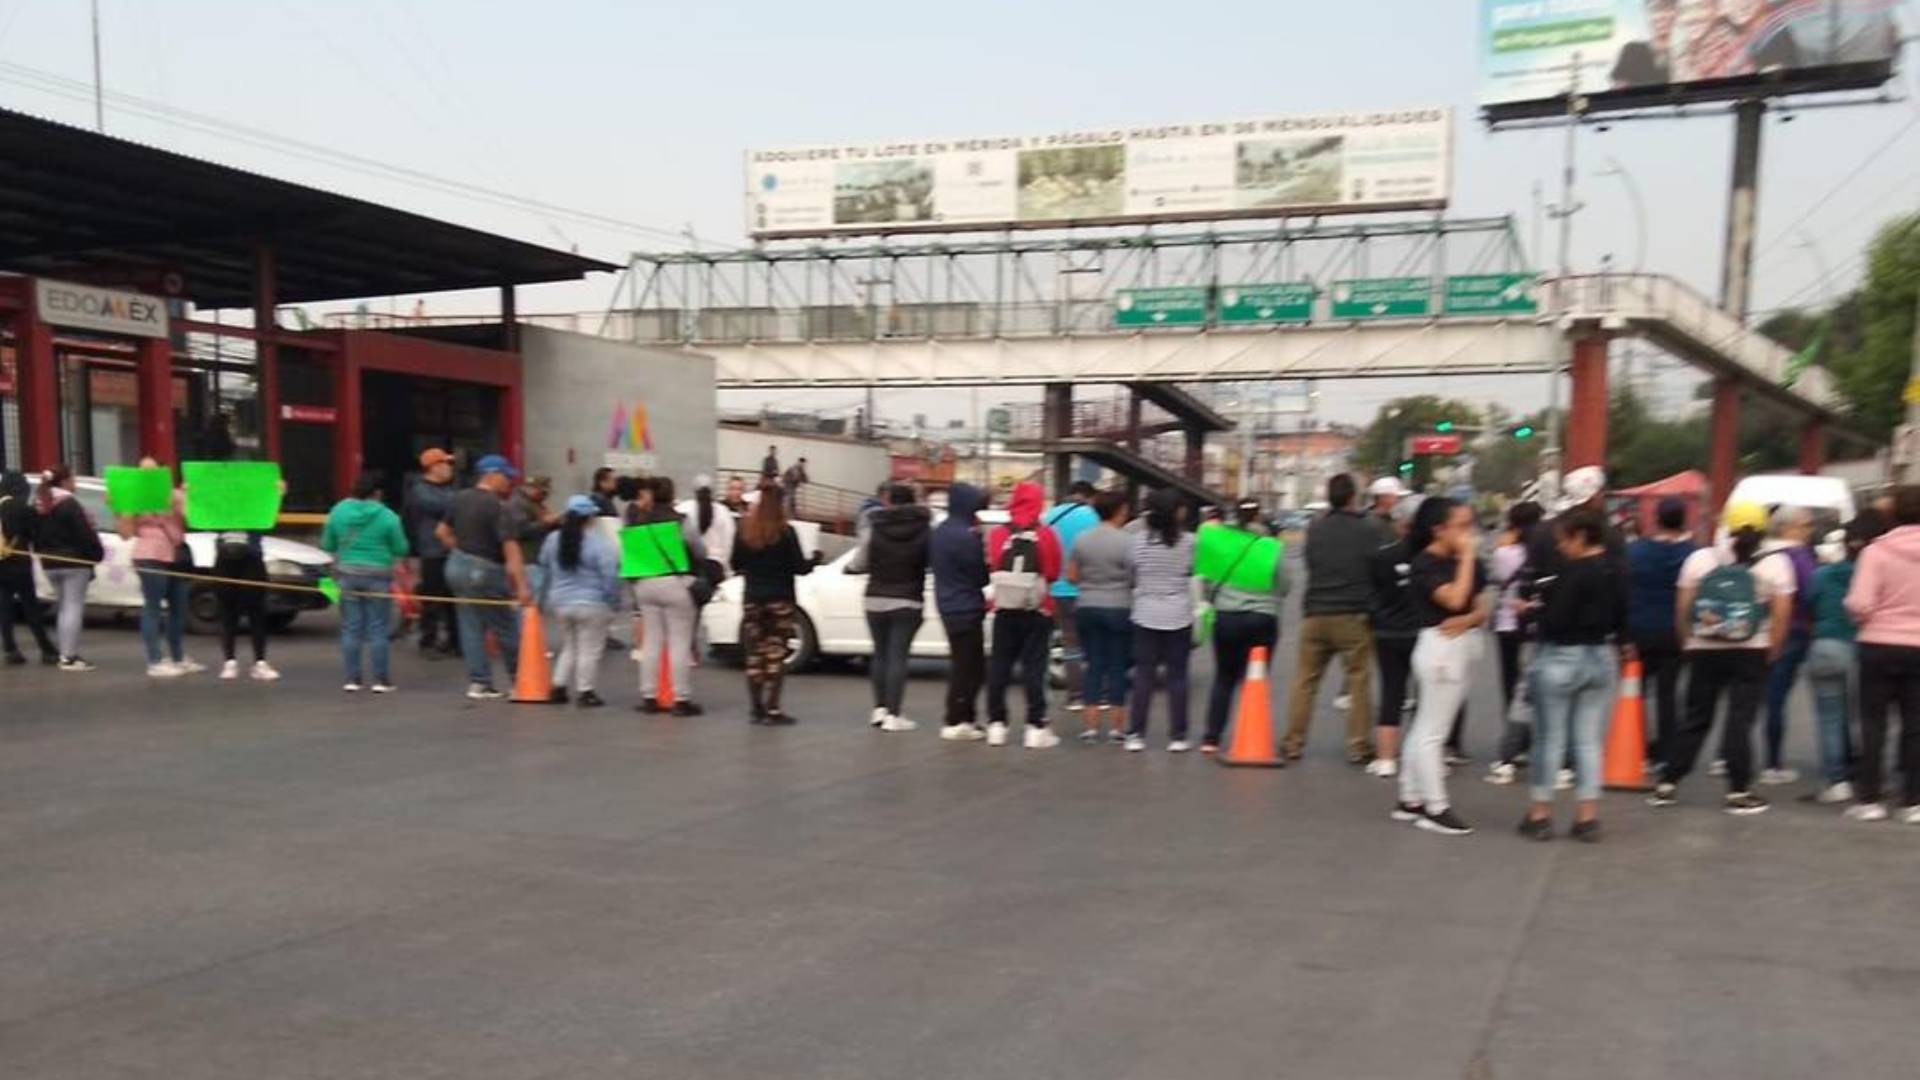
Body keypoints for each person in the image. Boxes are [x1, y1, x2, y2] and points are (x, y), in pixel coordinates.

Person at [1648, 502, 1793, 815]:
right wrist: (1774, 648)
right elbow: (1782, 615)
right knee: (1740, 718)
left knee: (1697, 717)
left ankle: (1667, 783)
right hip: (1752, 648)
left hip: (1705, 649)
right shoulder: (1775, 564)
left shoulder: (1701, 559)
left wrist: (1688, 642)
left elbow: (1683, 607)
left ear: (1726, 525)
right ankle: (1738, 790)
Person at [1518, 508, 1627, 843]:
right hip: (1600, 656)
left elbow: (1557, 620)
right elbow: (1623, 616)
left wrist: (1533, 611)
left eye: (1564, 539)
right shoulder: (1618, 569)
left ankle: (1540, 815)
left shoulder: (1572, 571)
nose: (1561, 547)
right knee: (1588, 740)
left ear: (1580, 536)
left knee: (1549, 739)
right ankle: (1587, 817)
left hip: (1562, 656)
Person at [1393, 496, 1487, 837]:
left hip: (1457, 646)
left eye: (1469, 525)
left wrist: (1470, 618)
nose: (1468, 534)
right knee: (1434, 732)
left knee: (1426, 726)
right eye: (1461, 526)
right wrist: (1467, 557)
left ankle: (1410, 796)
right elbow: (1455, 599)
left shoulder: (1462, 561)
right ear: (1439, 529)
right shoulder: (1426, 563)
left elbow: (1478, 607)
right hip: (1439, 648)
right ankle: (1435, 806)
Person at [1284, 474, 1380, 766]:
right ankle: (1359, 745)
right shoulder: (1368, 529)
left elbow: (1312, 562)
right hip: (1352, 615)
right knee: (1358, 680)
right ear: (1353, 497)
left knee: (1305, 681)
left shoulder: (1316, 528)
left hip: (1316, 613)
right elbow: (1376, 566)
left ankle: (1293, 742)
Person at [1843, 489, 1920, 824]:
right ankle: (1913, 802)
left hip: (1877, 644)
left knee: (1874, 723)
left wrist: (1866, 619)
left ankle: (1870, 798)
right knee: (1916, 726)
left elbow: (1859, 603)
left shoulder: (1876, 551)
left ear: (1893, 516)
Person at [435, 454, 533, 701]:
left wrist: (461, 552)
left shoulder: (459, 498)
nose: (510, 482)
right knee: (506, 627)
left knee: (470, 625)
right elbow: (511, 550)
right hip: (486, 569)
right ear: (492, 475)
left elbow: (441, 532)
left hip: (456, 566)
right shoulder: (499, 506)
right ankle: (519, 680)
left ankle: (480, 683)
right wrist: (522, 587)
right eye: (507, 477)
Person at [1805, 511, 1886, 805]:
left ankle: (1837, 780)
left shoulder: (1822, 574)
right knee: (1863, 717)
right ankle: (1867, 773)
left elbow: (1808, 605)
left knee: (1830, 717)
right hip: (1863, 646)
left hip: (1825, 646)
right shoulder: (1877, 572)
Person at [1200, 501, 1290, 755]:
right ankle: (1251, 731)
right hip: (1262, 617)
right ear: (1259, 516)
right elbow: (1285, 585)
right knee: (1256, 679)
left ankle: (1212, 737)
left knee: (1224, 677)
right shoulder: (1271, 546)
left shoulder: (1219, 544)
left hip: (1226, 617)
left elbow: (1206, 581)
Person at [986, 481, 1065, 749]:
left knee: (1000, 666)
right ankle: (1035, 726)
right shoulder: (1046, 535)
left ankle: (997, 725)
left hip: (1004, 608)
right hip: (1037, 610)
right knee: (1035, 668)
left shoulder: (998, 534)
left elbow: (994, 566)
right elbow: (1053, 573)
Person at [848, 484, 931, 732]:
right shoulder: (924, 529)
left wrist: (852, 568)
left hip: (875, 597)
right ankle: (895, 715)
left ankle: (880, 709)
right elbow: (930, 561)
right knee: (898, 656)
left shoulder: (874, 525)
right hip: (908, 598)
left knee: (880, 654)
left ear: (888, 502)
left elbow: (860, 561)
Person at [730, 483, 815, 724]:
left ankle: (756, 707)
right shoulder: (786, 533)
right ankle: (773, 708)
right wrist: (814, 560)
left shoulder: (745, 531)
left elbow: (735, 563)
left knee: (755, 653)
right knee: (776, 653)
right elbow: (800, 567)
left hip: (753, 600)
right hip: (781, 600)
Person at [321, 470, 410, 693]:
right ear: (377, 493)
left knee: (351, 628)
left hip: (348, 575)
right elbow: (401, 548)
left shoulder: (338, 511)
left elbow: (328, 544)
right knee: (378, 628)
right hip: (378, 576)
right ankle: (381, 680)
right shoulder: (388, 516)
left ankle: (353, 679)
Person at [1624, 497, 1696, 772]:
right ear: (1684, 520)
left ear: (1656, 519)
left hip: (1639, 629)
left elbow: (1626, 591)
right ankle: (1666, 752)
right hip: (1675, 632)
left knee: (1635, 693)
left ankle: (1635, 746)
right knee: (1668, 693)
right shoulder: (1692, 553)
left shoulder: (1637, 551)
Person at [626, 476, 708, 716]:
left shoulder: (638, 521)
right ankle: (681, 699)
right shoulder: (681, 521)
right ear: (672, 496)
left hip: (645, 583)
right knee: (679, 643)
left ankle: (648, 696)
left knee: (651, 641)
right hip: (675, 583)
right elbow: (699, 551)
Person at [539, 495, 622, 709]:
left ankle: (558, 687)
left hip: (560, 602)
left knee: (570, 646)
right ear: (591, 517)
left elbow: (544, 565)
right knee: (590, 649)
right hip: (592, 603)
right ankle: (586, 691)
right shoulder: (600, 544)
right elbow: (610, 576)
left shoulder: (552, 540)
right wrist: (613, 602)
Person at [1127, 488, 1195, 752]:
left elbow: (1132, 572)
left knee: (1144, 676)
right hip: (1178, 613)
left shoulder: (1138, 541)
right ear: (1177, 511)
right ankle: (1178, 735)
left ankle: (1137, 734)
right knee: (1178, 677)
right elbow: (1193, 571)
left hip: (1145, 613)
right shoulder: (1190, 542)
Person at [122, 458, 200, 678]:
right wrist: (122, 510)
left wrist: (187, 497)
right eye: (143, 472)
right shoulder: (132, 497)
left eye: (153, 471)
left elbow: (192, 518)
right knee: (153, 607)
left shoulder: (173, 495)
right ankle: (154, 661)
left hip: (175, 555)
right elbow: (125, 533)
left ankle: (177, 657)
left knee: (179, 608)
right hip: (149, 556)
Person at [1485, 501, 1546, 782]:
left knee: (1511, 686)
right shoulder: (1542, 552)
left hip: (1506, 625)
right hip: (1532, 627)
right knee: (1532, 688)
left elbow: (1497, 578)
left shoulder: (1505, 552)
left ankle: (1515, 744)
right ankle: (1530, 741)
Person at [1758, 507, 1818, 786]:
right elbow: (1810, 593)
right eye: (1807, 524)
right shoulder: (1799, 557)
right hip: (1793, 630)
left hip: (1758, 630)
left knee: (1755, 697)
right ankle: (1773, 763)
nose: (1810, 530)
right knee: (1777, 698)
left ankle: (1728, 755)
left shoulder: (1760, 554)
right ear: (1789, 527)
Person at [1070, 490, 1134, 744]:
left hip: (1087, 606)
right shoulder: (1127, 541)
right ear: (1119, 511)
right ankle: (1117, 729)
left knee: (1093, 665)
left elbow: (1072, 576)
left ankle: (1090, 729)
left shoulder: (1082, 539)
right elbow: (1135, 576)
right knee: (1118, 666)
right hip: (1119, 606)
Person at [1369, 496, 1426, 778]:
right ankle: (1425, 756)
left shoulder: (1383, 556)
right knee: (1427, 696)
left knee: (1391, 692)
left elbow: (1372, 595)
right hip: (1425, 632)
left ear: (1401, 524)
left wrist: (1376, 620)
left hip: (1388, 632)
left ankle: (1385, 758)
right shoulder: (1433, 558)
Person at [931, 482, 991, 741]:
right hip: (966, 605)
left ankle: (963, 717)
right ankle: (957, 718)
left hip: (946, 602)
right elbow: (980, 574)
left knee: (962, 663)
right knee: (969, 667)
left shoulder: (940, 531)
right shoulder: (967, 536)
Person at [33, 465, 104, 672]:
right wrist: (95, 555)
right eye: (72, 479)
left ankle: (65, 654)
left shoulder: (40, 504)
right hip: (74, 562)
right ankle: (69, 656)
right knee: (73, 607)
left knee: (63, 607)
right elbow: (84, 534)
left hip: (49, 563)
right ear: (64, 482)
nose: (75, 483)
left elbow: (35, 535)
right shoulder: (70, 504)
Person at [1044, 481, 1100, 712]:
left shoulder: (1049, 516)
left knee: (1069, 643)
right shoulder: (1093, 517)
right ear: (1088, 496)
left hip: (1055, 590)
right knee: (1093, 644)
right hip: (1086, 590)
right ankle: (1095, 694)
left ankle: (1074, 696)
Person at [405, 448, 461, 660]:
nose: (449, 468)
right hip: (432, 551)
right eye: (446, 463)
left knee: (452, 599)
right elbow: (443, 507)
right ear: (433, 467)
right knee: (431, 598)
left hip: (452, 549)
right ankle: (427, 640)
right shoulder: (420, 490)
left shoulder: (451, 489)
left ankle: (455, 641)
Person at [0, 470, 57, 665]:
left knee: (5, 606)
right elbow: (37, 537)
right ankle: (46, 649)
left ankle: (10, 648)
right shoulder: (23, 509)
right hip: (20, 565)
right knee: (30, 607)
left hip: (1, 564)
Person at [211, 516, 277, 683]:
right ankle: (229, 661)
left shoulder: (255, 498)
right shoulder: (221, 499)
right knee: (227, 610)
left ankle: (260, 662)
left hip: (252, 557)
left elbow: (268, 521)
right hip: (225, 557)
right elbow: (204, 518)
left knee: (256, 611)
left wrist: (277, 495)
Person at [1365, 476, 1406, 546]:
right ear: (1384, 498)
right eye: (1397, 497)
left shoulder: (1392, 520)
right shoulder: (1371, 523)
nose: (1399, 501)